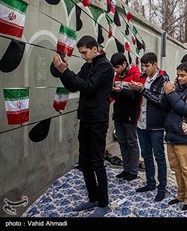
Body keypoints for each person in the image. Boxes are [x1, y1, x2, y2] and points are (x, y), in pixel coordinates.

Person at [52, 35, 114, 217]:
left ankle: (103, 203)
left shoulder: (105, 67)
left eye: (85, 52)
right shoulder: (87, 66)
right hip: (85, 118)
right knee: (85, 161)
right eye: (81, 53)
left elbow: (88, 87)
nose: (83, 56)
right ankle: (93, 197)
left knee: (96, 162)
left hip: (97, 121)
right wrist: (63, 72)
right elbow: (74, 86)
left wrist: (66, 71)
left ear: (95, 49)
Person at [128, 52, 169, 202]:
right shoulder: (142, 78)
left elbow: (160, 100)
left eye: (147, 66)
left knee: (159, 156)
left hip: (156, 125)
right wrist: (133, 89)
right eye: (143, 66)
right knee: (146, 155)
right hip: (141, 123)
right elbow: (138, 99)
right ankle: (150, 183)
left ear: (155, 64)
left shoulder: (163, 78)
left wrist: (142, 90)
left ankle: (162, 187)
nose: (144, 69)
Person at [162, 62, 187, 211]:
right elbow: (165, 107)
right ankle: (180, 195)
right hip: (171, 135)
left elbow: (185, 109)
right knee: (176, 169)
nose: (179, 78)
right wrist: (166, 93)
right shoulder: (176, 89)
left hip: (185, 137)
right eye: (178, 75)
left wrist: (171, 94)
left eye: (183, 75)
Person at [110, 53, 141, 181]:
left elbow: (136, 96)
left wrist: (121, 91)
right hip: (118, 113)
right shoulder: (115, 76)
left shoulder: (135, 74)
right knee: (122, 142)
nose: (116, 70)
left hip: (130, 114)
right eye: (114, 68)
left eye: (118, 67)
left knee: (132, 142)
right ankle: (126, 168)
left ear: (124, 64)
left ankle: (134, 171)